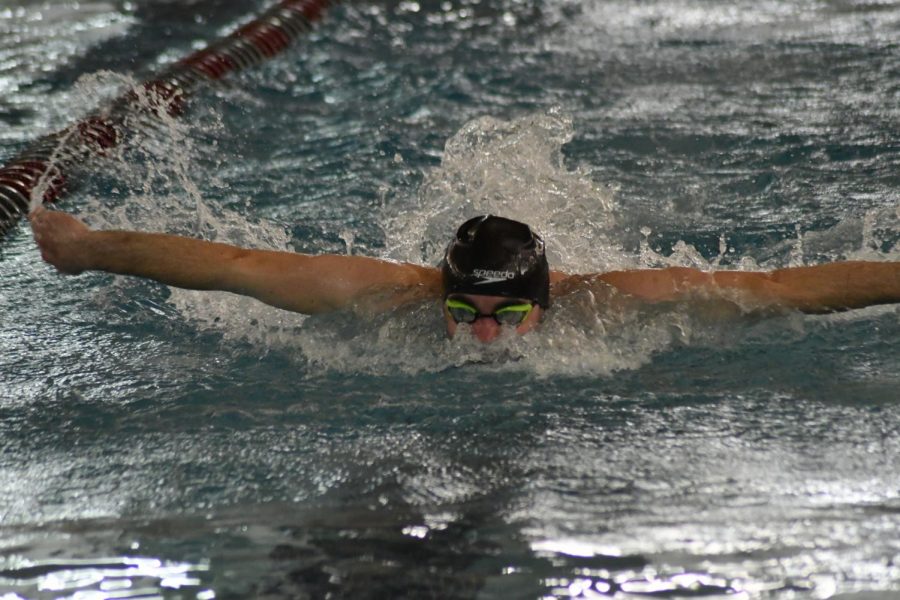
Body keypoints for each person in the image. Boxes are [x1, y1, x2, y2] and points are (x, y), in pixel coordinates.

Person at [29, 208, 900, 343]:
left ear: (550, 298)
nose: (484, 333)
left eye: (511, 311)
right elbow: (234, 266)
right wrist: (83, 248)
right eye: (465, 308)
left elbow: (786, 289)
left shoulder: (615, 308)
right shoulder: (382, 292)